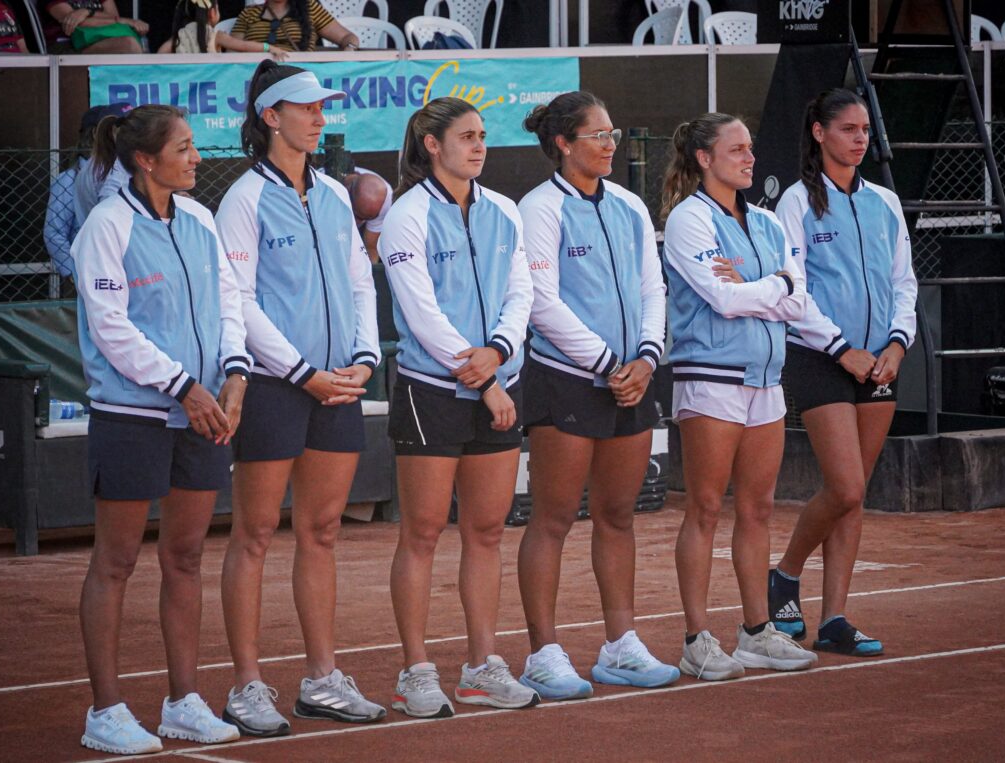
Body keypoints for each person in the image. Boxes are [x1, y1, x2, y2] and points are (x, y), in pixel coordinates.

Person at [72, 104, 250, 755]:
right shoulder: (106, 227)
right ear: (146, 159)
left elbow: (230, 301)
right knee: (115, 561)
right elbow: (112, 328)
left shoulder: (201, 220)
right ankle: (106, 710)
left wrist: (235, 372)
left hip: (203, 412)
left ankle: (182, 700)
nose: (196, 158)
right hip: (132, 415)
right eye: (184, 148)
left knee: (185, 556)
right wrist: (183, 385)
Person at [215, 61, 384, 737]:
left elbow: (361, 283)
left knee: (320, 532)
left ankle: (321, 678)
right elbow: (239, 300)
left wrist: (365, 356)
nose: (320, 117)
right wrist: (301, 369)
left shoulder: (337, 196)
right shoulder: (243, 200)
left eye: (322, 108)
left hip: (339, 383)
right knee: (254, 533)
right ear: (270, 117)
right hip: (276, 386)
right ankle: (247, 685)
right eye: (307, 108)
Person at [515, 91, 678, 700]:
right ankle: (543, 654)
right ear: (563, 142)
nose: (610, 144)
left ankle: (619, 646)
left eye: (613, 133)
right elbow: (542, 302)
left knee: (617, 516)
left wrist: (645, 357)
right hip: (565, 380)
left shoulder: (632, 205)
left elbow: (652, 288)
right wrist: (610, 362)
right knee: (554, 519)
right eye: (597, 135)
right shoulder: (538, 209)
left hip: (633, 377)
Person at [378, 96, 536, 718]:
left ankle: (480, 667)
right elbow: (419, 312)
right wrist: (484, 378)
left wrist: (498, 353)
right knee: (421, 533)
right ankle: (415, 672)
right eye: (466, 137)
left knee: (487, 532)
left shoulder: (504, 210)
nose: (478, 146)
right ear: (431, 145)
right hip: (431, 390)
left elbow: (521, 292)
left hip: (497, 377)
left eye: (482, 136)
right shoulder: (407, 215)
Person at [661, 112, 818, 681]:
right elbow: (722, 300)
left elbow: (799, 300)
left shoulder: (771, 222)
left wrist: (766, 288)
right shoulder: (687, 221)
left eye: (751, 148)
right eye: (737, 149)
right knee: (703, 507)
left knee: (757, 509)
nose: (750, 158)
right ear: (705, 158)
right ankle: (696, 639)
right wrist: (774, 286)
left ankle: (756, 632)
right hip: (710, 378)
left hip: (767, 381)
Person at [769, 89, 917, 657]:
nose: (860, 140)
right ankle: (785, 573)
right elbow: (794, 293)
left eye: (864, 131)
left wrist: (897, 346)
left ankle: (834, 618)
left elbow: (904, 282)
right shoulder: (796, 206)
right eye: (848, 129)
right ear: (819, 133)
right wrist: (840, 349)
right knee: (847, 485)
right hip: (820, 358)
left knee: (853, 498)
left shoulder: (884, 201)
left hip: (883, 360)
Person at [44, 105, 110, 279]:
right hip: (89, 272)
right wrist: (75, 274)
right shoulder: (68, 180)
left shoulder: (123, 175)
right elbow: (54, 233)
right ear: (96, 134)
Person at [156, 0, 288, 59]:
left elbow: (160, 54)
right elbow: (243, 45)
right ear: (213, 13)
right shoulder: (216, 35)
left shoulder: (178, 36)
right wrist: (269, 48)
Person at [74, 102, 133, 227]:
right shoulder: (109, 168)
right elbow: (112, 218)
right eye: (130, 127)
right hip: (111, 240)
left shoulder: (97, 164)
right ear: (113, 131)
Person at [230, 0, 358, 52]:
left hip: (300, 75)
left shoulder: (309, 8)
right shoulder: (249, 13)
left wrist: (349, 50)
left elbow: (348, 37)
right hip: (257, 76)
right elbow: (232, 51)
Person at [41, 0, 148, 53]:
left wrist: (88, 12)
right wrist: (119, 20)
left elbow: (114, 17)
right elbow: (75, 23)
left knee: (137, 44)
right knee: (129, 45)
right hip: (66, 47)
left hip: (100, 39)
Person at [343, 168, 392, 263]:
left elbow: (371, 247)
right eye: (358, 217)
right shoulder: (325, 190)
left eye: (365, 218)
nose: (359, 222)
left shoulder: (384, 200)